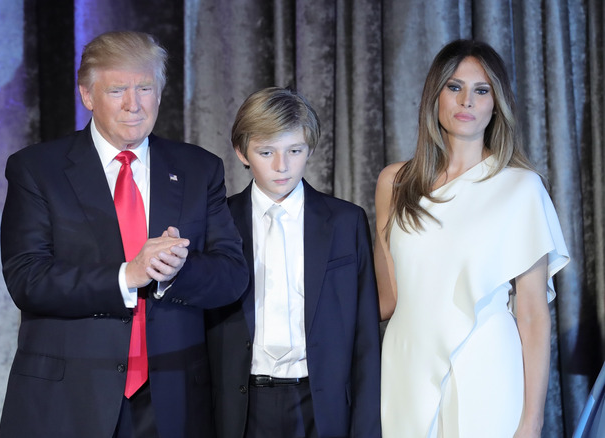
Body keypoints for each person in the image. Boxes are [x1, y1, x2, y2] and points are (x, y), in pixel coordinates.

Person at [0, 31, 249, 438]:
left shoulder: (199, 169)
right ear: (87, 95)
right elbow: (28, 278)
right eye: (117, 90)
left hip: (173, 402)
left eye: (145, 88)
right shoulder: (36, 170)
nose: (134, 104)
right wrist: (127, 276)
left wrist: (174, 271)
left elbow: (232, 276)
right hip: (68, 401)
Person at [375, 40, 570, 437]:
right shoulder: (395, 183)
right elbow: (389, 298)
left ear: (496, 103)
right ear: (435, 95)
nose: (467, 100)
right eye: (454, 87)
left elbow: (532, 314)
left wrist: (531, 423)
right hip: (406, 365)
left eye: (481, 90)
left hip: (486, 367)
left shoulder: (522, 188)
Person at [207, 87, 381, 438]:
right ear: (242, 152)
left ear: (310, 149)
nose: (281, 166)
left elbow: (365, 335)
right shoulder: (218, 221)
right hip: (241, 406)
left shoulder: (346, 222)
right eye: (266, 151)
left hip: (321, 404)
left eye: (294, 150)